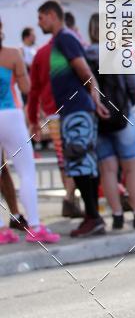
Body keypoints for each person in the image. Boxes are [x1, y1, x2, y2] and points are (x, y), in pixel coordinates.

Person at [38, 0, 109, 237]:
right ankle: (92, 216)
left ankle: (93, 217)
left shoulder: (65, 39)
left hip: (78, 109)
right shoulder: (62, 40)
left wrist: (95, 101)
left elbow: (85, 71)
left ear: (52, 15)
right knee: (79, 162)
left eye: (41, 17)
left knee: (80, 161)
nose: (39, 23)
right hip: (74, 110)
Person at [85, 15, 135, 230]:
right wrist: (127, 103)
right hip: (122, 117)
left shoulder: (83, 55)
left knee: (107, 169)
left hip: (98, 118)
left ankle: (116, 216)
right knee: (132, 167)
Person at [0, 17, 59, 245]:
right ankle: (34, 225)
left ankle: (3, 230)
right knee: (26, 171)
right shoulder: (14, 54)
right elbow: (27, 88)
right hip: (11, 115)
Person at [27, 37, 82, 219]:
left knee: (62, 159)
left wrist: (33, 119)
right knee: (76, 155)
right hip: (74, 110)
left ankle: (70, 199)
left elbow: (34, 89)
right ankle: (70, 198)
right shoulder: (74, 46)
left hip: (52, 113)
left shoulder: (40, 53)